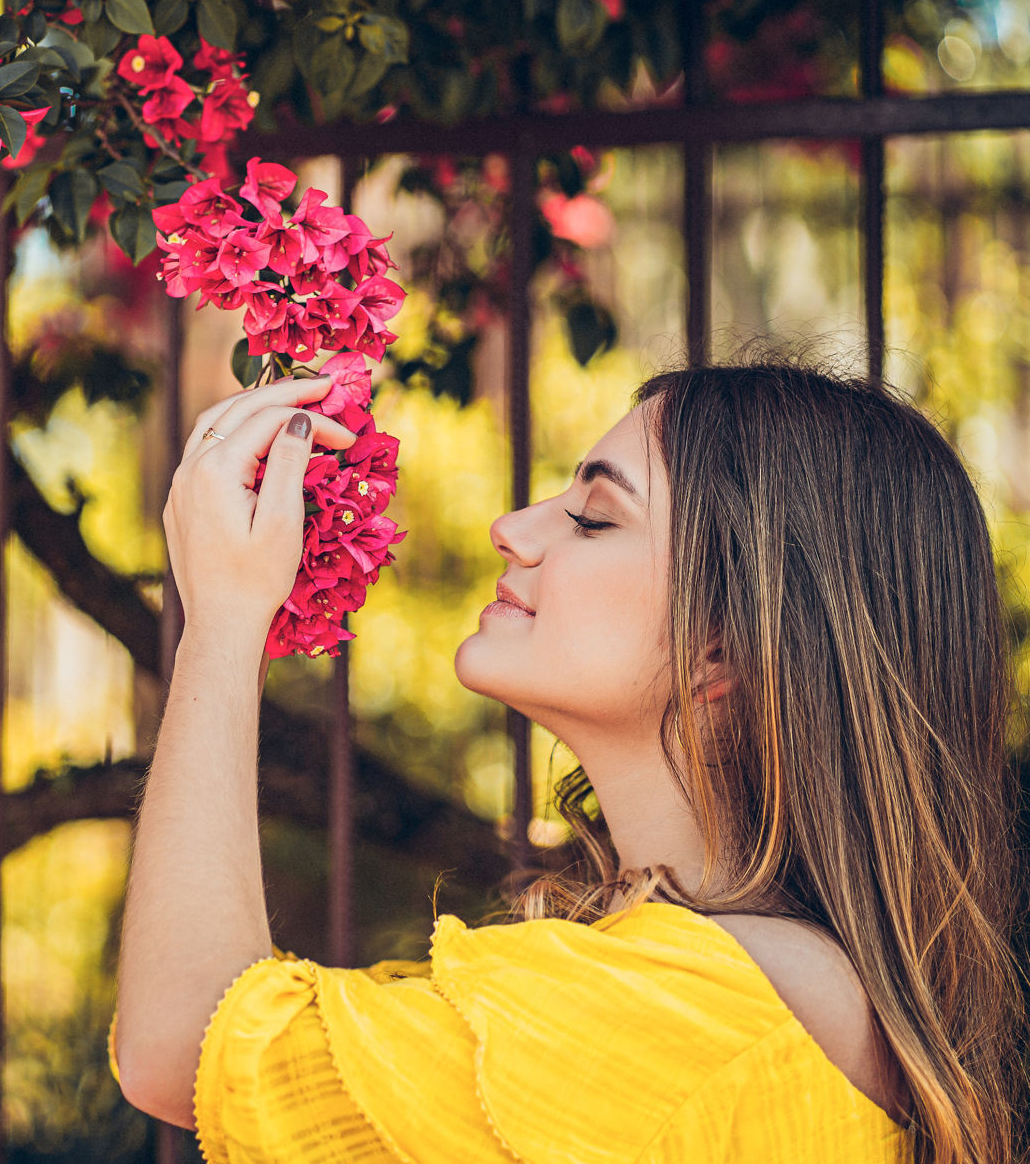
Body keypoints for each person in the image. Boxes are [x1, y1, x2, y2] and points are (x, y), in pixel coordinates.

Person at [110, 358, 1028, 1164]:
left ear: (723, 649)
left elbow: (191, 1044)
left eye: (593, 516)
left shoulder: (706, 1006)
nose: (514, 525)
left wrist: (223, 620)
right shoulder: (738, 988)